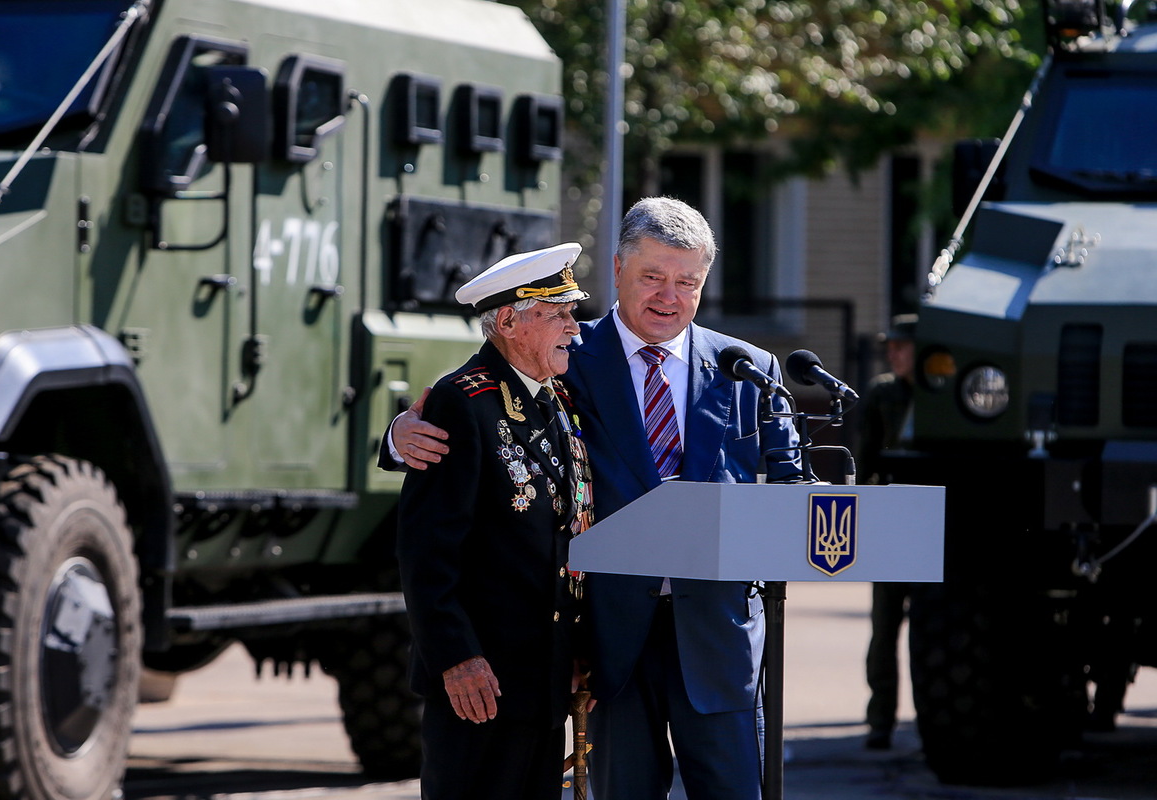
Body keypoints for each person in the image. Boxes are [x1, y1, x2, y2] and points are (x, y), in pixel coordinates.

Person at [389, 197, 801, 800]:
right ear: (617, 270)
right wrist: (398, 438)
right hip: (611, 640)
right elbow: (476, 416)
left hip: (718, 637)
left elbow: (793, 489)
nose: (669, 296)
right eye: (652, 277)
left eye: (686, 282)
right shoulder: (567, 355)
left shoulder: (748, 368)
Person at [394, 242, 595, 800]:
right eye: (558, 314)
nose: (573, 328)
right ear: (508, 321)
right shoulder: (464, 401)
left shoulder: (555, 399)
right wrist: (456, 657)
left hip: (543, 677)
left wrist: (576, 646)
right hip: (479, 681)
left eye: (571, 313)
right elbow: (426, 551)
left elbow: (560, 531)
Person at [857, 313, 916, 750]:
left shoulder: (942, 393)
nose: (893, 354)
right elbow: (865, 459)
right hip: (894, 521)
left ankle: (932, 721)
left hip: (935, 520)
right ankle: (880, 721)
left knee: (936, 628)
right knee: (884, 625)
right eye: (889, 346)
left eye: (902, 346)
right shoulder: (882, 393)